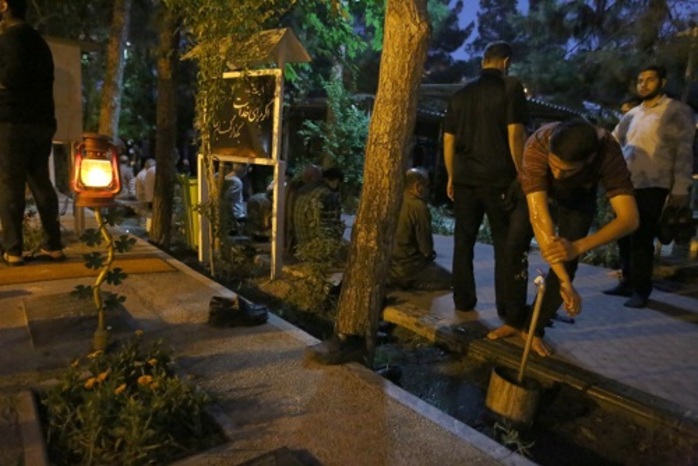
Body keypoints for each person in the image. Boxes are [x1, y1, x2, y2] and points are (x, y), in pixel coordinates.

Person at [488, 119, 639, 357]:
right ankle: (514, 320)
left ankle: (534, 329)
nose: (557, 174)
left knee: (568, 261)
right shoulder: (538, 145)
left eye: (567, 170)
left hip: (579, 197)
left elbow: (630, 219)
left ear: (589, 159)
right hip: (534, 192)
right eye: (554, 165)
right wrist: (566, 283)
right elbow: (540, 219)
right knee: (514, 247)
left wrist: (577, 247)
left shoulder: (608, 153)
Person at [442, 40, 528, 314]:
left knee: (463, 242)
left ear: (483, 62)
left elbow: (448, 140)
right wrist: (522, 172)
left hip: (465, 179)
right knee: (504, 244)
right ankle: (506, 307)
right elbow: (515, 133)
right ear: (506, 62)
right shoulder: (511, 88)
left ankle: (463, 301)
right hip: (499, 179)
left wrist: (451, 175)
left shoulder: (459, 95)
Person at [605, 65, 695, 308]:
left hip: (655, 183)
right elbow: (613, 141)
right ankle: (626, 282)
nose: (643, 84)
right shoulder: (632, 114)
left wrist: (680, 187)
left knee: (642, 238)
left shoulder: (677, 111)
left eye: (650, 80)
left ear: (662, 82)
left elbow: (684, 151)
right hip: (626, 183)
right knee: (623, 236)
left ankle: (641, 290)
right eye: (640, 80)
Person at [0, 0, 64, 265]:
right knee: (40, 181)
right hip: (42, 121)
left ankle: (13, 250)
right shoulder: (39, 42)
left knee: (10, 184)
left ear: (4, 5)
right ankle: (53, 245)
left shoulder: (9, 39)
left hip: (13, 122)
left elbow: (10, 76)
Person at [388, 168, 452, 290]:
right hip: (408, 267)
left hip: (390, 266)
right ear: (418, 187)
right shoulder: (418, 207)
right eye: (427, 187)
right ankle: (413, 284)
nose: (429, 191)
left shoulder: (393, 200)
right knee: (451, 280)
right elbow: (426, 248)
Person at [293, 167, 345, 252]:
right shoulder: (328, 195)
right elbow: (333, 226)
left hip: (302, 244)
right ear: (336, 181)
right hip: (317, 249)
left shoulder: (304, 190)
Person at [284, 164, 322, 253]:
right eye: (319, 179)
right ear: (313, 178)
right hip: (296, 238)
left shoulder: (293, 187)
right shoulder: (303, 192)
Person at [223, 163, 248, 235]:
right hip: (236, 218)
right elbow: (227, 201)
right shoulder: (236, 182)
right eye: (245, 166)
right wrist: (234, 223)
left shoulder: (221, 177)